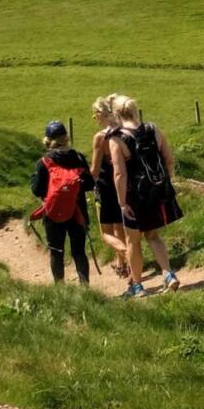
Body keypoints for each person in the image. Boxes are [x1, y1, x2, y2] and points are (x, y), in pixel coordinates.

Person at [107, 94, 183, 297]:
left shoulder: (116, 139)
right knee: (154, 235)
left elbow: (120, 174)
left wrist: (122, 203)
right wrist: (163, 182)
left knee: (133, 241)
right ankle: (169, 274)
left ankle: (138, 287)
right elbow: (169, 159)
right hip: (156, 192)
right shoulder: (153, 129)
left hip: (134, 197)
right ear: (134, 110)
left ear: (116, 114)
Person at [30, 120, 94, 286]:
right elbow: (90, 184)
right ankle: (85, 287)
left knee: (56, 251)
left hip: (53, 212)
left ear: (47, 140)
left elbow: (37, 190)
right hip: (78, 210)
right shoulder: (78, 158)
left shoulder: (44, 162)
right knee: (79, 251)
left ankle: (60, 288)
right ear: (66, 138)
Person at [89, 96, 133, 284]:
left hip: (106, 187)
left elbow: (95, 170)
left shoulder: (101, 137)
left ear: (100, 115)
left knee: (105, 231)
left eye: (94, 116)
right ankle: (122, 262)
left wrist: (85, 181)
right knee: (119, 225)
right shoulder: (124, 131)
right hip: (125, 184)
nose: (95, 120)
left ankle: (129, 256)